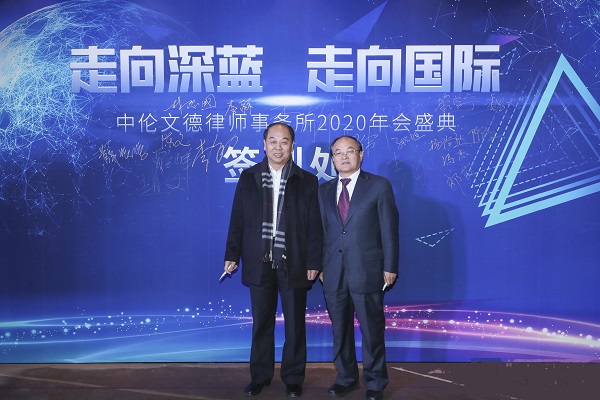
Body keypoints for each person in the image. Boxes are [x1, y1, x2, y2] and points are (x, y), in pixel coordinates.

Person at [223, 122, 323, 398]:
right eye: (273, 141)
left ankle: (293, 378)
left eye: (284, 141)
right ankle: (260, 376)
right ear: (264, 144)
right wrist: (231, 254)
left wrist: (314, 261)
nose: (278, 147)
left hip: (295, 261)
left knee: (295, 324)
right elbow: (237, 219)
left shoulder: (307, 180)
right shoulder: (249, 177)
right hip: (259, 260)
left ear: (292, 145)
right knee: (261, 323)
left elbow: (315, 225)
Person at [318, 135, 399, 400]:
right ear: (332, 159)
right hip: (333, 271)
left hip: (368, 270)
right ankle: (346, 377)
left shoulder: (378, 186)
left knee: (371, 330)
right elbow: (319, 232)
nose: (343, 156)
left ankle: (375, 382)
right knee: (339, 330)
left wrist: (390, 266)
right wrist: (319, 265)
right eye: (338, 152)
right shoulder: (323, 190)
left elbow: (389, 230)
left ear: (360, 155)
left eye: (349, 151)